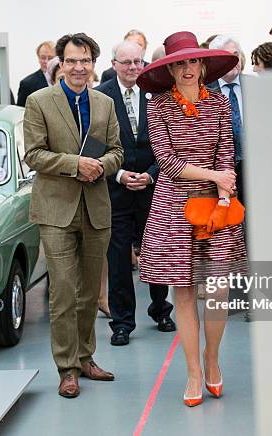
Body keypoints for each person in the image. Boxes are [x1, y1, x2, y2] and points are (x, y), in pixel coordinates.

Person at [137, 31, 248, 407]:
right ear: (169, 70)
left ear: (203, 65)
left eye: (192, 61)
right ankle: (193, 372)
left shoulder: (218, 103)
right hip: (173, 206)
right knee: (183, 291)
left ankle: (212, 358)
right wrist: (215, 177)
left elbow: (226, 154)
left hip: (216, 207)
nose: (186, 69)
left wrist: (221, 192)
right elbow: (166, 162)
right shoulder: (157, 106)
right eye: (179, 63)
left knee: (217, 289)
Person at [23, 32, 124, 398]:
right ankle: (66, 369)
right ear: (60, 64)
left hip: (95, 208)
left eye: (85, 60)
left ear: (93, 65)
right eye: (72, 61)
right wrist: (74, 165)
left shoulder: (104, 103)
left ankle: (86, 358)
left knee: (88, 294)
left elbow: (117, 151)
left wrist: (100, 165)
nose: (79, 67)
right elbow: (33, 155)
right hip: (55, 209)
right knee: (63, 292)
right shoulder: (39, 102)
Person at [96, 40, 176, 346]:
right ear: (114, 63)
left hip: (152, 189)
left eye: (138, 62)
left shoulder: (156, 94)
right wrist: (117, 174)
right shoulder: (101, 96)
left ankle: (161, 310)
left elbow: (168, 141)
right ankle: (122, 323)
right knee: (118, 260)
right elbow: (94, 144)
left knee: (156, 254)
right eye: (126, 62)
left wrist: (152, 175)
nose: (132, 68)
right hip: (115, 191)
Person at [207, 34, 246, 201]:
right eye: (226, 56)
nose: (233, 60)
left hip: (255, 169)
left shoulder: (254, 86)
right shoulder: (205, 93)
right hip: (220, 173)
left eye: (235, 55)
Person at [17, 41, 55, 107]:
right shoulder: (27, 83)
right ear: (38, 58)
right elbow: (21, 111)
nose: (46, 61)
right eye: (43, 58)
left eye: (50, 58)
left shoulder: (66, 79)